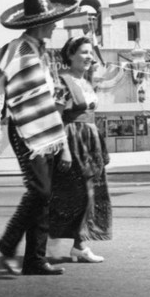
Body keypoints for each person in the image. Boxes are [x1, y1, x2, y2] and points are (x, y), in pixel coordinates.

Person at [0, 0, 78, 276]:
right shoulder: (16, 49)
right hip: (24, 129)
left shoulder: (45, 55)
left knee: (44, 195)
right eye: (52, 21)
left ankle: (35, 260)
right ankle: (8, 242)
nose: (56, 25)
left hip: (48, 133)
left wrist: (61, 143)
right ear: (41, 23)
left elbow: (51, 102)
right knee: (40, 190)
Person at [49, 36, 112, 262]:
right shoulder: (62, 82)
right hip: (73, 141)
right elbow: (57, 118)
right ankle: (70, 244)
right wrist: (64, 149)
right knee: (80, 195)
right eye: (84, 52)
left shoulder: (86, 82)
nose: (89, 57)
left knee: (91, 194)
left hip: (90, 141)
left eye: (90, 53)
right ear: (71, 55)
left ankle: (79, 245)